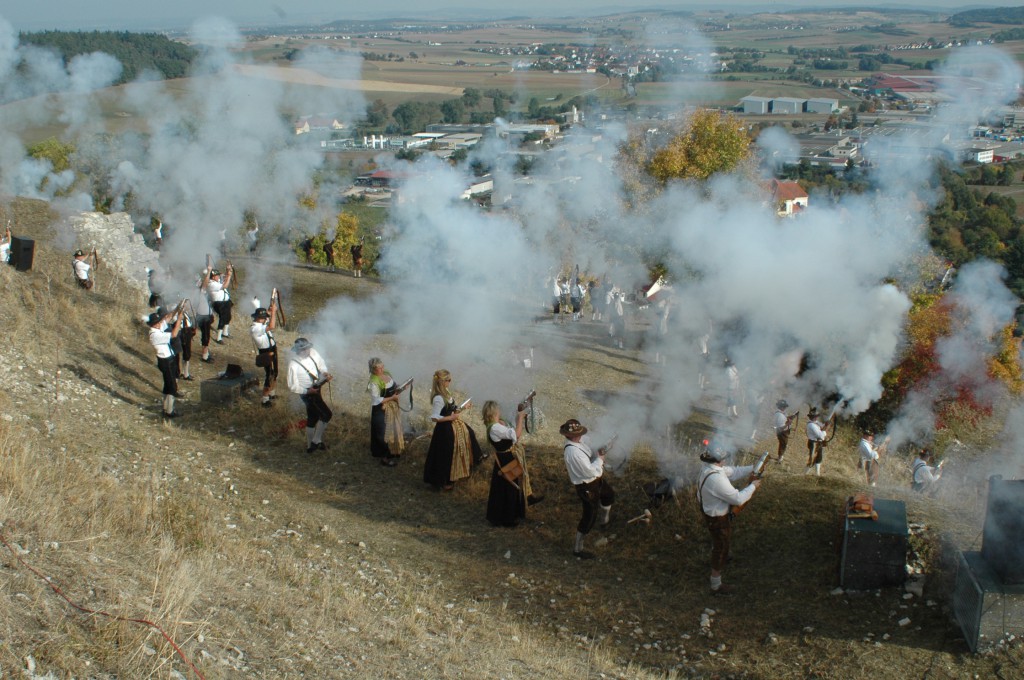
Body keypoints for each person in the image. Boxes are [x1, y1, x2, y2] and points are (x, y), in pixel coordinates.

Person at [696, 441, 761, 595]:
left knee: (719, 542)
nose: (725, 459)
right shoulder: (716, 479)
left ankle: (722, 555)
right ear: (719, 459)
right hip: (717, 518)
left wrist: (753, 468)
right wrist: (753, 486)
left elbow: (733, 472)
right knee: (720, 547)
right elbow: (738, 499)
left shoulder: (709, 468)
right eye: (723, 457)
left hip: (711, 514)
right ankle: (716, 585)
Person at [483, 400, 542, 527]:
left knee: (509, 486)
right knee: (509, 487)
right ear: (494, 412)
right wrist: (520, 418)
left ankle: (510, 515)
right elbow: (516, 434)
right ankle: (507, 518)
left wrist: (517, 416)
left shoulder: (496, 425)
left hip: (505, 458)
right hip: (505, 459)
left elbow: (510, 431)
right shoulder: (495, 427)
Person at [561, 418, 615, 559]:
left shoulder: (579, 440)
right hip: (586, 486)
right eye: (577, 433)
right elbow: (590, 471)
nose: (581, 435)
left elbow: (590, 442)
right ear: (570, 435)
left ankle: (604, 522)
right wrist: (601, 458)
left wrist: (602, 445)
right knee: (589, 516)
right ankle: (578, 549)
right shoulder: (573, 453)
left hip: (594, 480)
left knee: (609, 495)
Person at [422, 369, 482, 490]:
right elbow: (434, 417)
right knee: (445, 455)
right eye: (448, 380)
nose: (450, 382)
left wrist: (463, 407)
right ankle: (442, 481)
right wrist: (450, 417)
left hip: (451, 426)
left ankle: (453, 477)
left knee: (467, 435)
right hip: (444, 430)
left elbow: (452, 410)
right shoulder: (439, 398)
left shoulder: (447, 393)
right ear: (442, 382)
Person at [286, 337, 333, 453]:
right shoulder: (293, 365)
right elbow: (292, 386)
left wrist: (324, 373)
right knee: (326, 414)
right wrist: (307, 391)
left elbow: (321, 364)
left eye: (307, 348)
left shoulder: (312, 352)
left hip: (316, 387)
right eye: (304, 349)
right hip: (307, 393)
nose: (307, 351)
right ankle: (315, 441)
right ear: (298, 351)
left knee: (313, 417)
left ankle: (309, 446)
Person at [367, 357, 407, 467]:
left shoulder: (386, 374)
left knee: (394, 429)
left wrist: (402, 387)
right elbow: (376, 400)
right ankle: (384, 457)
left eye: (382, 366)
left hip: (392, 408)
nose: (382, 369)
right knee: (383, 433)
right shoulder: (373, 382)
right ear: (373, 370)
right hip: (381, 410)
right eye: (379, 368)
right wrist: (392, 398)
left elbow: (394, 386)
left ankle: (393, 451)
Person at [148, 307, 183, 419]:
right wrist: (179, 320)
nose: (160, 323)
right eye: (158, 322)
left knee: (168, 385)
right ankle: (169, 411)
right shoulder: (155, 335)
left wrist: (178, 308)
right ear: (153, 324)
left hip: (167, 359)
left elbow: (167, 318)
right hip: (165, 361)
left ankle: (165, 408)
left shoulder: (157, 329)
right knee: (171, 386)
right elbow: (174, 334)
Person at [250, 299, 279, 408]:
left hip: (272, 349)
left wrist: (271, 309)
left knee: (275, 373)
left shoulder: (261, 323)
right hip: (266, 352)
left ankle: (271, 393)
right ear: (258, 318)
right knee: (269, 375)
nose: (265, 318)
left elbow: (268, 315)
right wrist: (274, 312)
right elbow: (271, 326)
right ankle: (265, 399)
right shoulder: (255, 328)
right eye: (263, 317)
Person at [208, 264, 234, 343]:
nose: (218, 277)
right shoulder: (211, 284)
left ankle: (225, 332)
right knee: (223, 318)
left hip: (226, 302)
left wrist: (228, 270)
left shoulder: (216, 281)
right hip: (219, 303)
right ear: (213, 277)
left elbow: (224, 277)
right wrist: (229, 276)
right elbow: (225, 286)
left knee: (228, 317)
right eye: (217, 276)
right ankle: (218, 337)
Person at [195, 268, 215, 364]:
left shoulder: (199, 291)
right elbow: (205, 284)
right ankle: (205, 356)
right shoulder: (199, 291)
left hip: (205, 316)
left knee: (205, 336)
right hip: (204, 316)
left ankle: (205, 353)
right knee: (206, 336)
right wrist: (209, 272)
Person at [805, 407, 828, 476]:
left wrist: (826, 424)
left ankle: (817, 474)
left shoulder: (816, 423)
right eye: (815, 416)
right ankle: (805, 474)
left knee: (818, 458)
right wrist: (824, 431)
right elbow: (820, 435)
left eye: (816, 416)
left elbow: (823, 426)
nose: (816, 417)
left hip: (817, 443)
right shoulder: (811, 425)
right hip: (813, 443)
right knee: (812, 459)